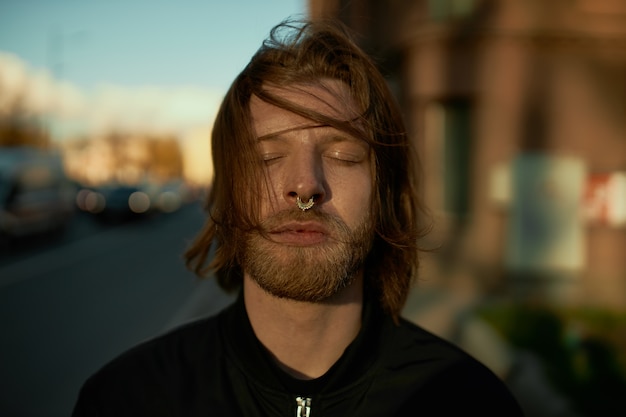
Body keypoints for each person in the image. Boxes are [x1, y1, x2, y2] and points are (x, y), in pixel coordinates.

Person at [72, 19, 523, 416]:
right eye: (267, 157)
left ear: (382, 194)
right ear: (228, 195)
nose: (305, 186)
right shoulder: (128, 399)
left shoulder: (467, 401)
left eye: (344, 155)